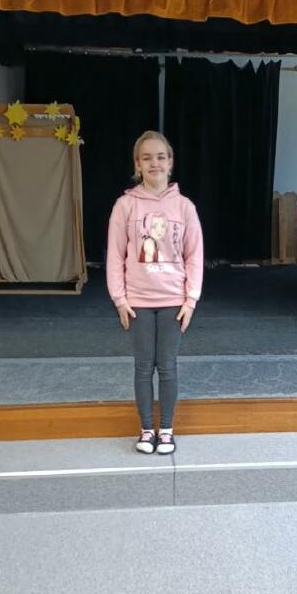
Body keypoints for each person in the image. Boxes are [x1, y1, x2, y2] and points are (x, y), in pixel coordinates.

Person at [107, 130, 203, 454]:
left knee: (168, 366)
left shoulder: (185, 207)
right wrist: (120, 299)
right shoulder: (125, 205)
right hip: (138, 302)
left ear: (170, 162)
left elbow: (195, 256)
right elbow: (115, 255)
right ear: (137, 164)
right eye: (146, 158)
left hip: (174, 301)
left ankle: (167, 430)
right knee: (143, 367)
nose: (154, 163)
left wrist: (191, 300)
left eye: (161, 157)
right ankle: (147, 429)